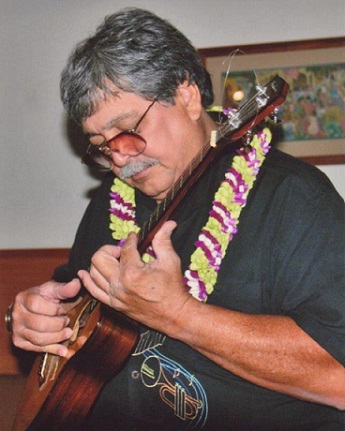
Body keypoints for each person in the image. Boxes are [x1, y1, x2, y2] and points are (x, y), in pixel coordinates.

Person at [7, 7, 345, 431]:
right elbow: (71, 298)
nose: (120, 158)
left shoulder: (293, 198)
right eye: (101, 146)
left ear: (186, 95)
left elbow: (339, 377)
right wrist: (33, 317)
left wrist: (179, 314)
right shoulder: (109, 204)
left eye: (128, 129)